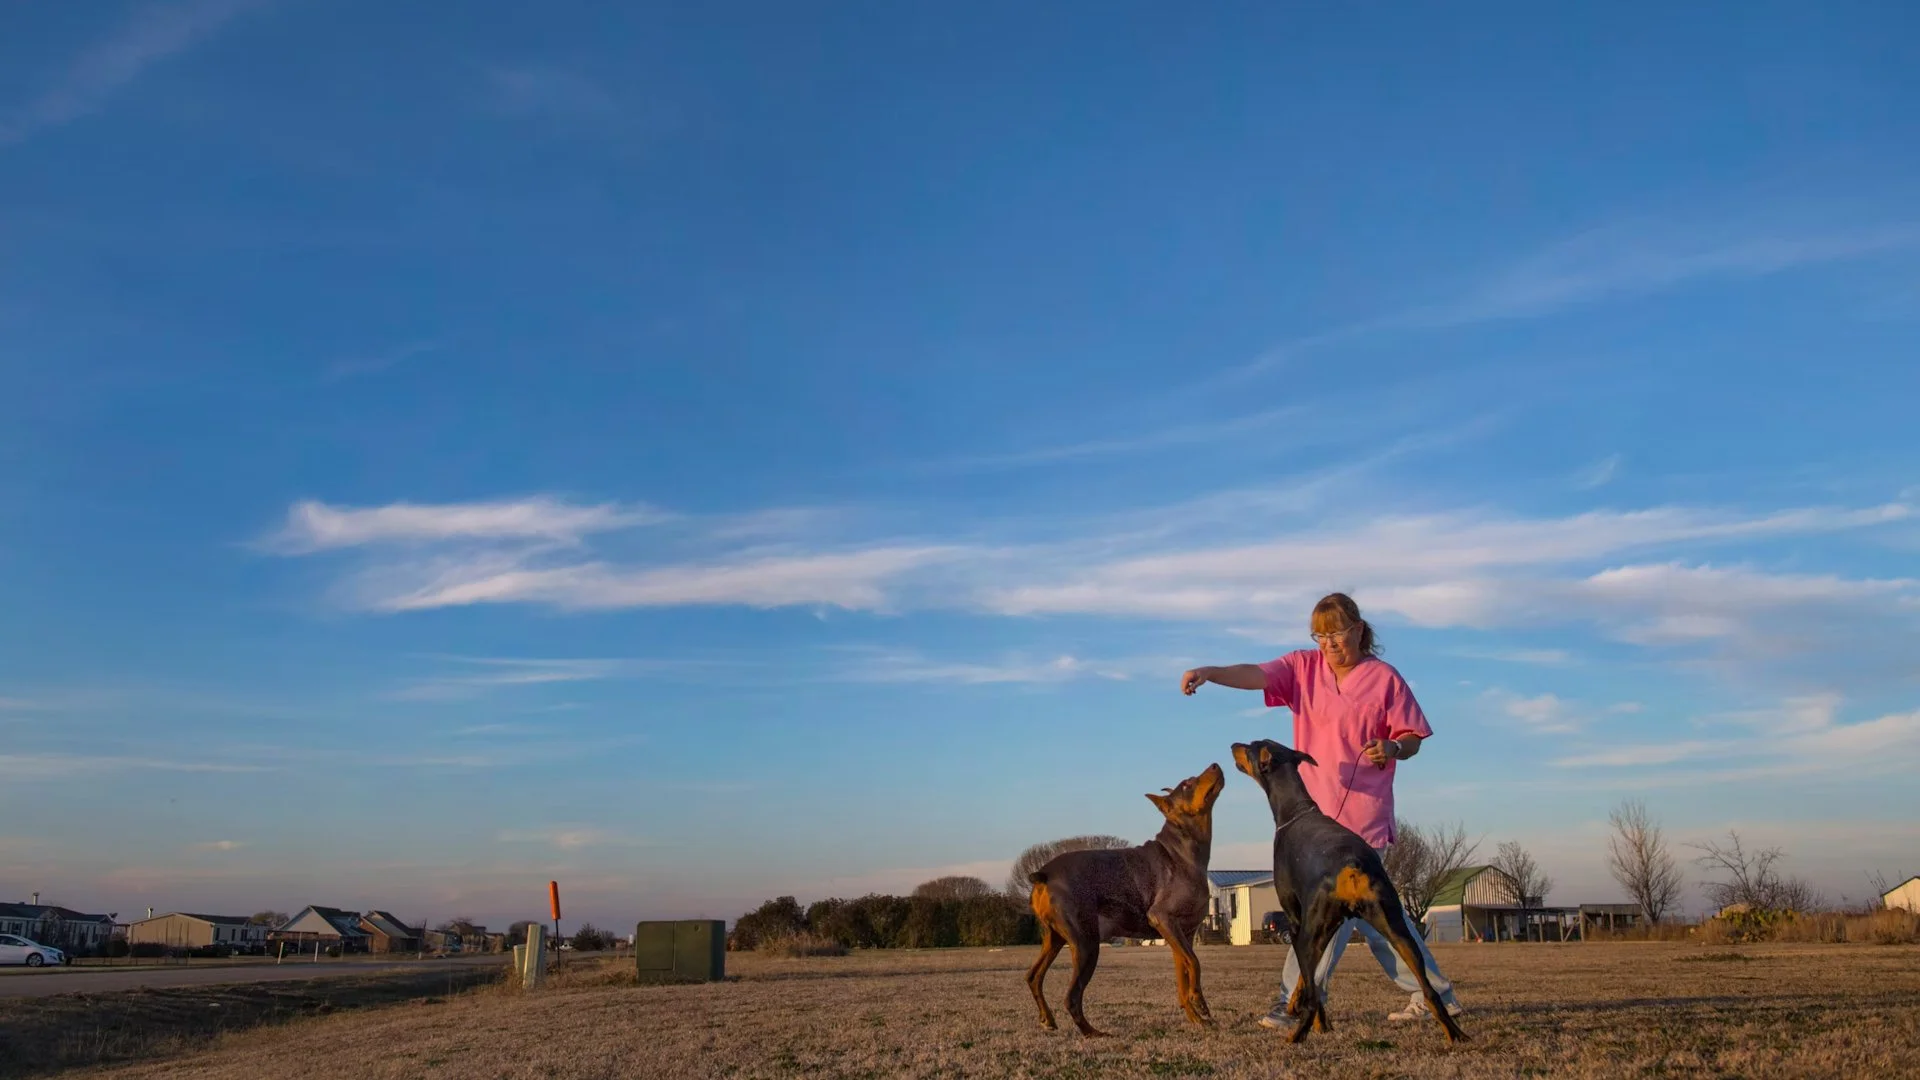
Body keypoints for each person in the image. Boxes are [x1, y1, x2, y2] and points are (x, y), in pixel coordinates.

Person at [1180, 592, 1464, 1027]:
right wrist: (1210, 672)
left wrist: (1391, 747)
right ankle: (1436, 996)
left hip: (1362, 822)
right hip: (1313, 823)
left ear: (1358, 629)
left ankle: (1293, 1004)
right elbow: (1255, 674)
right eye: (1320, 634)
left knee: (1324, 914)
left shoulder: (1385, 679)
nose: (1329, 643)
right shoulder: (1302, 668)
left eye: (1336, 632)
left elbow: (1412, 739)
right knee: (1377, 921)